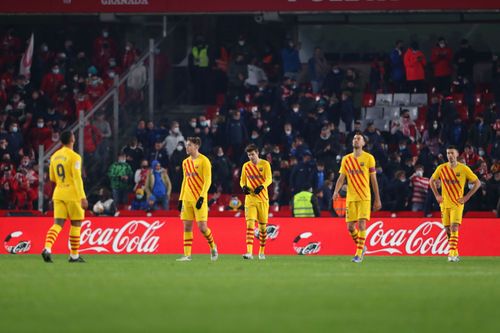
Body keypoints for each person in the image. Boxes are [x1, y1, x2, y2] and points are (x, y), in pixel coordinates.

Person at [333, 133, 382, 263]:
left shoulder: (369, 158)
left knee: (361, 224)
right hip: (351, 197)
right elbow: (341, 178)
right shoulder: (346, 159)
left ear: (363, 143)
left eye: (359, 139)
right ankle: (362, 247)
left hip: (364, 196)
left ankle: (358, 254)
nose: (356, 140)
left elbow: (373, 180)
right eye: (354, 138)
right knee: (350, 227)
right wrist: (335, 191)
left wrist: (377, 199)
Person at [41, 131, 88, 263]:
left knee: (58, 224)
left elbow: (52, 178)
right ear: (72, 139)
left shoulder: (54, 156)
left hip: (58, 193)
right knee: (76, 223)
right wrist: (82, 197)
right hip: (72, 194)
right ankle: (74, 256)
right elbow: (77, 178)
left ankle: (47, 248)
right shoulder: (75, 157)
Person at [429, 146, 481, 262]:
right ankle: (455, 252)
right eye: (448, 153)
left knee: (454, 227)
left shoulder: (463, 169)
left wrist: (466, 197)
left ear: (457, 154)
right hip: (444, 204)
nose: (450, 155)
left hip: (457, 204)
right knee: (447, 230)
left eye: (452, 153)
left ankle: (451, 254)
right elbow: (431, 181)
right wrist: (437, 195)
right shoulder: (441, 168)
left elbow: (477, 183)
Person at [177, 137, 218, 261]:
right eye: (186, 145)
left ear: (196, 146)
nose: (187, 147)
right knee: (187, 226)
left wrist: (202, 196)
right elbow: (185, 180)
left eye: (189, 145)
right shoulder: (185, 162)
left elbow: (208, 180)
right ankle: (187, 255)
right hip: (187, 199)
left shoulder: (204, 161)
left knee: (202, 227)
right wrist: (180, 199)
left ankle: (213, 246)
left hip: (199, 199)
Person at [240, 144, 272, 260]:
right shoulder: (246, 166)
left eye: (252, 154)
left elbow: (269, 179)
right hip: (250, 200)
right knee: (250, 225)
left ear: (257, 153)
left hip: (263, 200)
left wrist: (262, 186)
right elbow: (242, 181)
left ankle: (261, 251)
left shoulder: (265, 164)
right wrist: (243, 187)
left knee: (263, 228)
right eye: (249, 155)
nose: (251, 157)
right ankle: (249, 252)